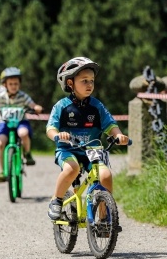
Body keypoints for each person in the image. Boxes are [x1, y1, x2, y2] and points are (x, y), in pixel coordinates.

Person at [46, 56, 130, 220]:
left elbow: (110, 125)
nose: (90, 84)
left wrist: (118, 135)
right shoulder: (62, 106)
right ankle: (56, 200)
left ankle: (105, 218)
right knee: (72, 169)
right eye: (84, 80)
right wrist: (57, 135)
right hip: (68, 149)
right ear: (70, 83)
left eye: (92, 80)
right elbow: (51, 127)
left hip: (92, 150)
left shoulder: (97, 106)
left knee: (105, 176)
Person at [0, 67, 43, 182]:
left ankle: (27, 154)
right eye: (11, 84)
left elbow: (32, 104)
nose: (14, 86)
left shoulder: (23, 96)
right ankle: (2, 171)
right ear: (5, 85)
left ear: (19, 84)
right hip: (5, 123)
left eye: (16, 83)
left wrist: (36, 107)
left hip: (20, 122)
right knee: (0, 143)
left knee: (23, 133)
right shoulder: (1, 97)